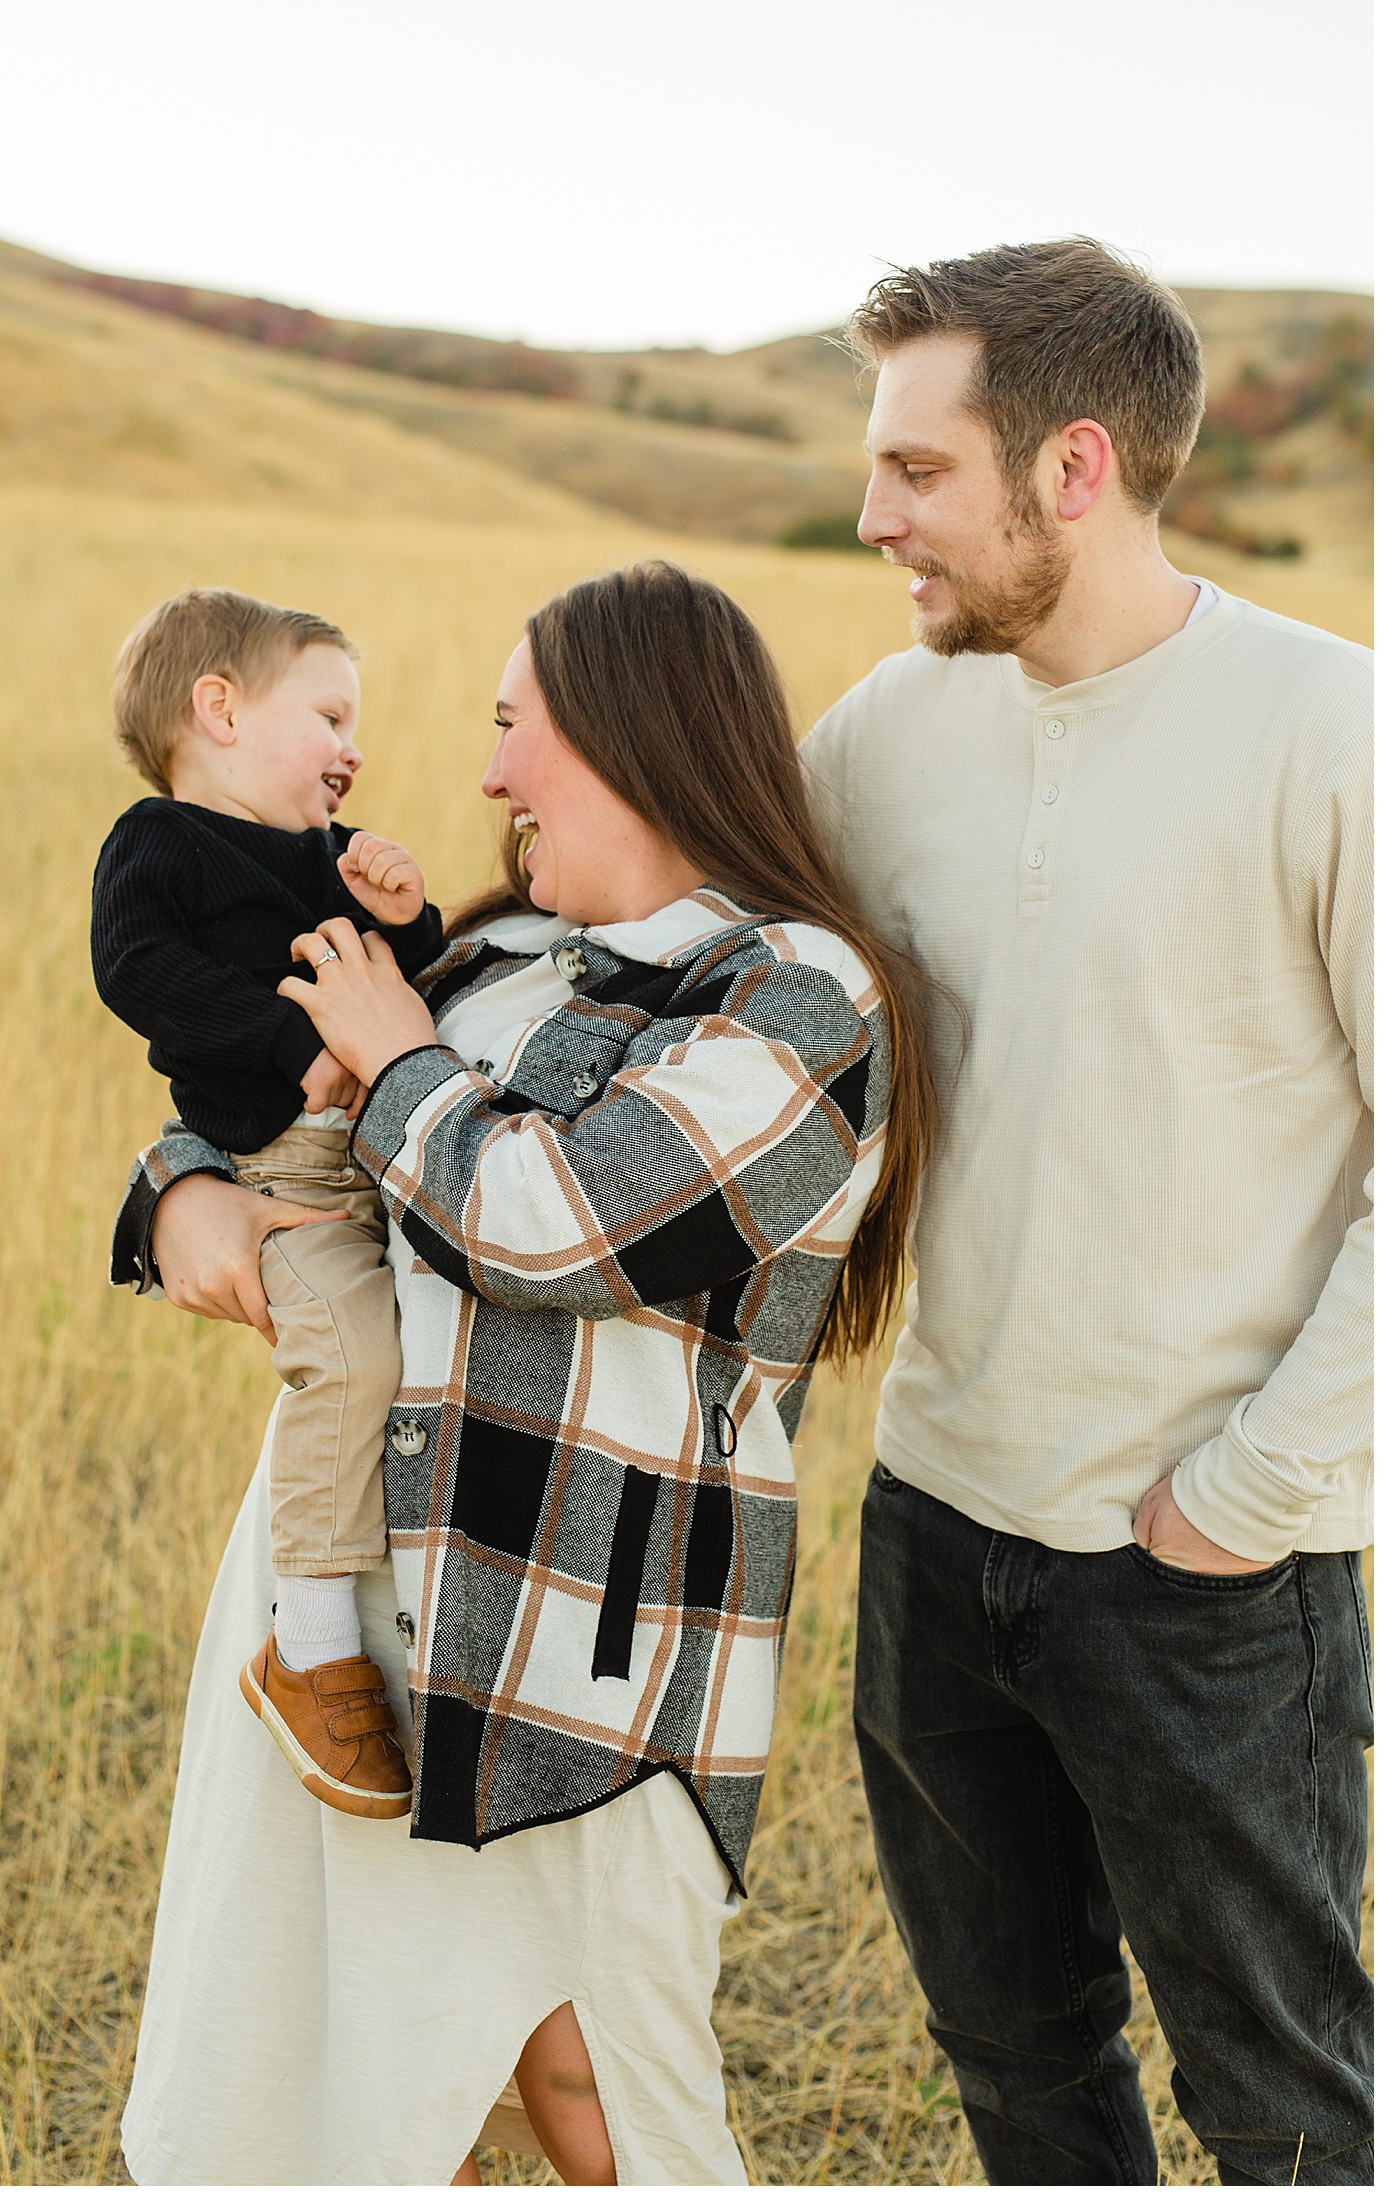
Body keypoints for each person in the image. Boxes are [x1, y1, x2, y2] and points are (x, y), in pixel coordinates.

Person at [116, 561, 934, 2186]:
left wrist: (398, 1057)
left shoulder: (794, 995)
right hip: (351, 1631)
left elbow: (551, 1221)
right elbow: (287, 1107)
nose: (483, 775)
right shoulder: (508, 952)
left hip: (586, 1657)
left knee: (601, 2092)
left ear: (636, 735)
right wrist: (177, 1184)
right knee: (365, 2088)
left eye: (513, 728)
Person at [801, 238, 1372, 2187]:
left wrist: (1250, 1494)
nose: (871, 513)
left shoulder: (1327, 729)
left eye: (913, 471)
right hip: (932, 1532)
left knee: (1279, 2109)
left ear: (1068, 468)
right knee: (1019, 2082)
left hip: (1204, 1579)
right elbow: (674, 952)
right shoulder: (889, 729)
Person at [93, 585, 445, 1819]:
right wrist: (284, 1043)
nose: (355, 747)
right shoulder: (159, 841)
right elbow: (134, 967)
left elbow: (403, 986)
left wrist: (405, 912)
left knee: (386, 1345)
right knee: (347, 1357)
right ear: (220, 709)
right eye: (331, 713)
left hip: (362, 1171)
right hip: (277, 1175)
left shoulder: (321, 861)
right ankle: (308, 1640)